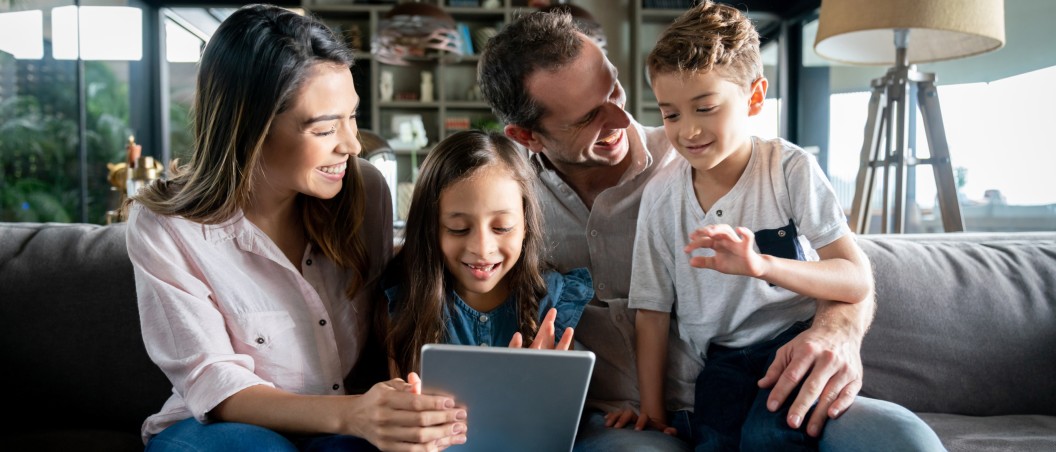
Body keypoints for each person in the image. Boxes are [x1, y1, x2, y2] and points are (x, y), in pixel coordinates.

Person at [478, 9, 897, 452]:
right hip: (625, 416)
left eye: (615, 92)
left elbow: (851, 273)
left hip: (777, 362)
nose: (620, 120)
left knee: (896, 439)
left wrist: (836, 331)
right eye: (587, 119)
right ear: (527, 137)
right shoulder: (504, 199)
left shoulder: (721, 159)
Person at [126, 5, 465, 450]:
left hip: (340, 428)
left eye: (352, 116)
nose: (352, 143)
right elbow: (213, 381)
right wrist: (356, 414)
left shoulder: (365, 192)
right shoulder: (167, 227)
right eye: (325, 128)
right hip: (218, 431)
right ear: (252, 127)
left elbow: (400, 302)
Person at [630, 2, 946, 450]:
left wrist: (762, 265)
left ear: (755, 98)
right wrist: (653, 412)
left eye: (705, 108)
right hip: (719, 362)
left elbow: (853, 278)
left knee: (768, 439)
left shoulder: (789, 168)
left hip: (793, 344)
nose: (688, 131)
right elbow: (651, 312)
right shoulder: (661, 197)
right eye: (671, 114)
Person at [380, 130, 593, 377]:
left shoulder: (554, 301)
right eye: (458, 229)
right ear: (429, 229)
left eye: (501, 227)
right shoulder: (407, 298)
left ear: (525, 224)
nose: (482, 248)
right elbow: (403, 402)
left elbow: (565, 407)